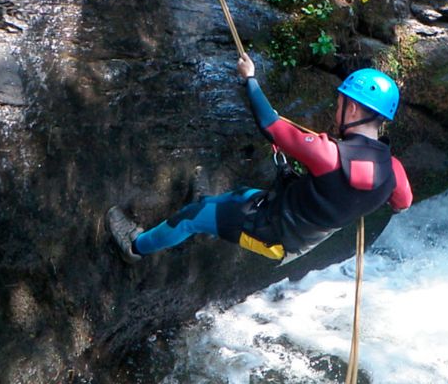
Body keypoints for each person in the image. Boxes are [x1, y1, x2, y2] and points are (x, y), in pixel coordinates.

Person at [106, 53, 413, 264]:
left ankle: (135, 247)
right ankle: (209, 206)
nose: (335, 113)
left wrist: (249, 79)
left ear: (354, 110)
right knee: (239, 195)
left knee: (191, 218)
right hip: (295, 224)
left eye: (339, 105)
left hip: (273, 233)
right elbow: (402, 203)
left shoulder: (327, 154)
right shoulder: (394, 171)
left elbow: (270, 124)